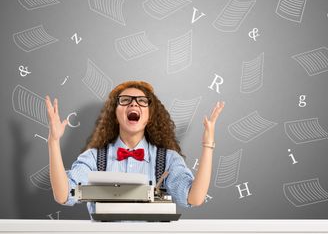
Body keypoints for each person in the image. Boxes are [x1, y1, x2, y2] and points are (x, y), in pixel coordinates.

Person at [46, 80, 224, 215]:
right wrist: (53, 142)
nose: (133, 104)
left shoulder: (168, 160)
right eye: (125, 100)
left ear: (150, 116)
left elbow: (194, 198)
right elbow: (63, 195)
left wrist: (208, 145)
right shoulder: (94, 158)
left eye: (141, 101)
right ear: (115, 115)